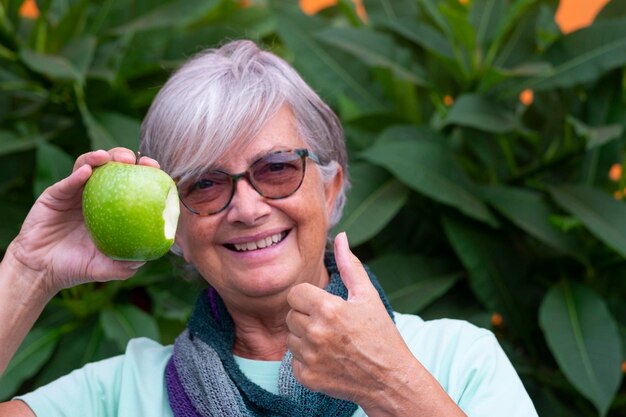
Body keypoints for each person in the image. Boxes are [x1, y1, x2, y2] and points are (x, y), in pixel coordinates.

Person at [0, 40, 538, 417]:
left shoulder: (454, 360)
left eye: (276, 168)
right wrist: (29, 272)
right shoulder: (120, 394)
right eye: (206, 184)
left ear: (330, 190)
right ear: (176, 230)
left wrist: (388, 383)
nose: (247, 207)